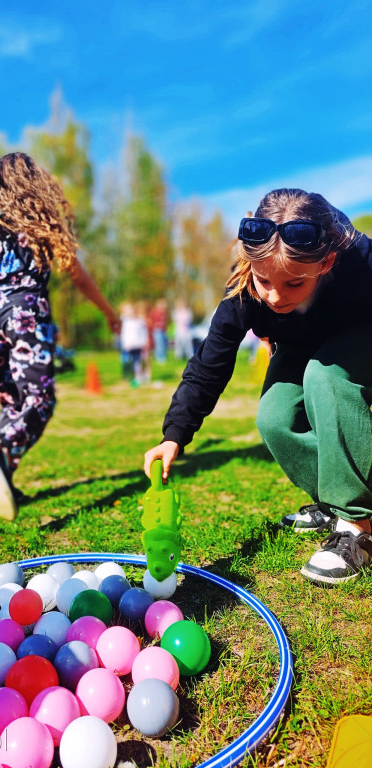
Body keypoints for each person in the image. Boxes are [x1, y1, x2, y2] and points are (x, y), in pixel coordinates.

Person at [144, 188, 372, 586]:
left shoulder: (359, 262)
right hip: (302, 343)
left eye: (294, 284)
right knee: (274, 417)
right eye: (265, 280)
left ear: (326, 262)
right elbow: (209, 365)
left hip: (359, 333)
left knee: (326, 376)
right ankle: (330, 501)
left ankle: (359, 527)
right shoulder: (245, 292)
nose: (274, 296)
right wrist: (174, 434)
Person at [0, 152, 121, 522]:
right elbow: (78, 275)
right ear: (33, 187)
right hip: (25, 310)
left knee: (13, 399)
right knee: (40, 400)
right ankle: (0, 449)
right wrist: (109, 312)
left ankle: (4, 475)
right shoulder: (41, 224)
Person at [149, 298, 169, 363]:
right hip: (157, 330)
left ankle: (163, 356)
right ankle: (159, 357)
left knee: (163, 344)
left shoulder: (164, 313)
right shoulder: (155, 312)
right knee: (158, 344)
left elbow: (165, 322)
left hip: (163, 331)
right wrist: (154, 326)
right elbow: (151, 320)